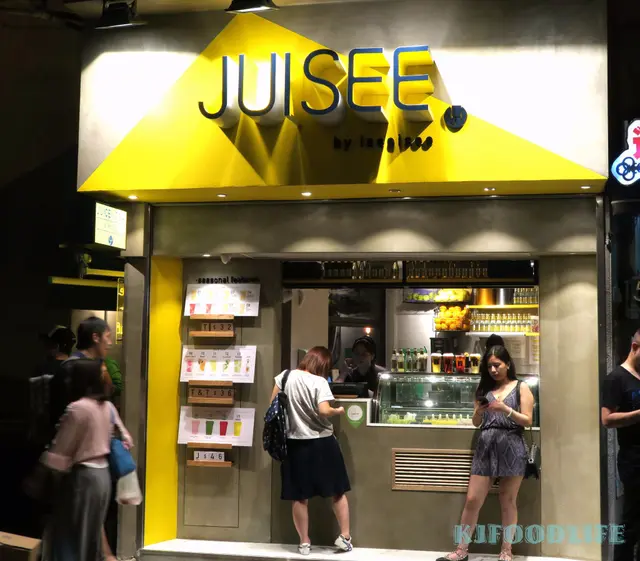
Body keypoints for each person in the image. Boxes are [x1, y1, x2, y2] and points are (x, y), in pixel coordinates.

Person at [438, 345, 534, 561]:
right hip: (486, 444)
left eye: (497, 365)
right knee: (472, 499)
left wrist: (505, 409)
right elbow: (476, 422)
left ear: (507, 364)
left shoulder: (521, 387)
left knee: (507, 500)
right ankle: (461, 550)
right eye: (489, 366)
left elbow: (528, 420)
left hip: (512, 444)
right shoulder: (483, 389)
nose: (493, 370)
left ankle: (506, 550)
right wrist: (479, 412)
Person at [41, 359, 132, 561]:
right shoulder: (108, 407)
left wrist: (41, 475)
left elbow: (60, 451)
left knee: (72, 537)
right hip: (103, 477)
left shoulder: (77, 409)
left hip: (82, 478)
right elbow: (126, 439)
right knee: (91, 535)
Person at [271, 346, 352, 556]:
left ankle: (304, 542)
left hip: (294, 443)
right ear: (323, 364)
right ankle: (344, 537)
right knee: (337, 491)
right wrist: (338, 410)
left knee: (299, 496)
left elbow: (273, 406)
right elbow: (324, 410)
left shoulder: (285, 376)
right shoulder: (319, 382)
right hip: (322, 443)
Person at [601, 329, 640, 561]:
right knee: (631, 521)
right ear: (635, 347)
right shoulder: (616, 378)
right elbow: (606, 419)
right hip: (633, 460)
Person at [73, 317, 121, 396]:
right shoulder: (74, 365)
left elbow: (109, 392)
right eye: (108, 337)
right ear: (96, 338)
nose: (110, 343)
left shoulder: (99, 363)